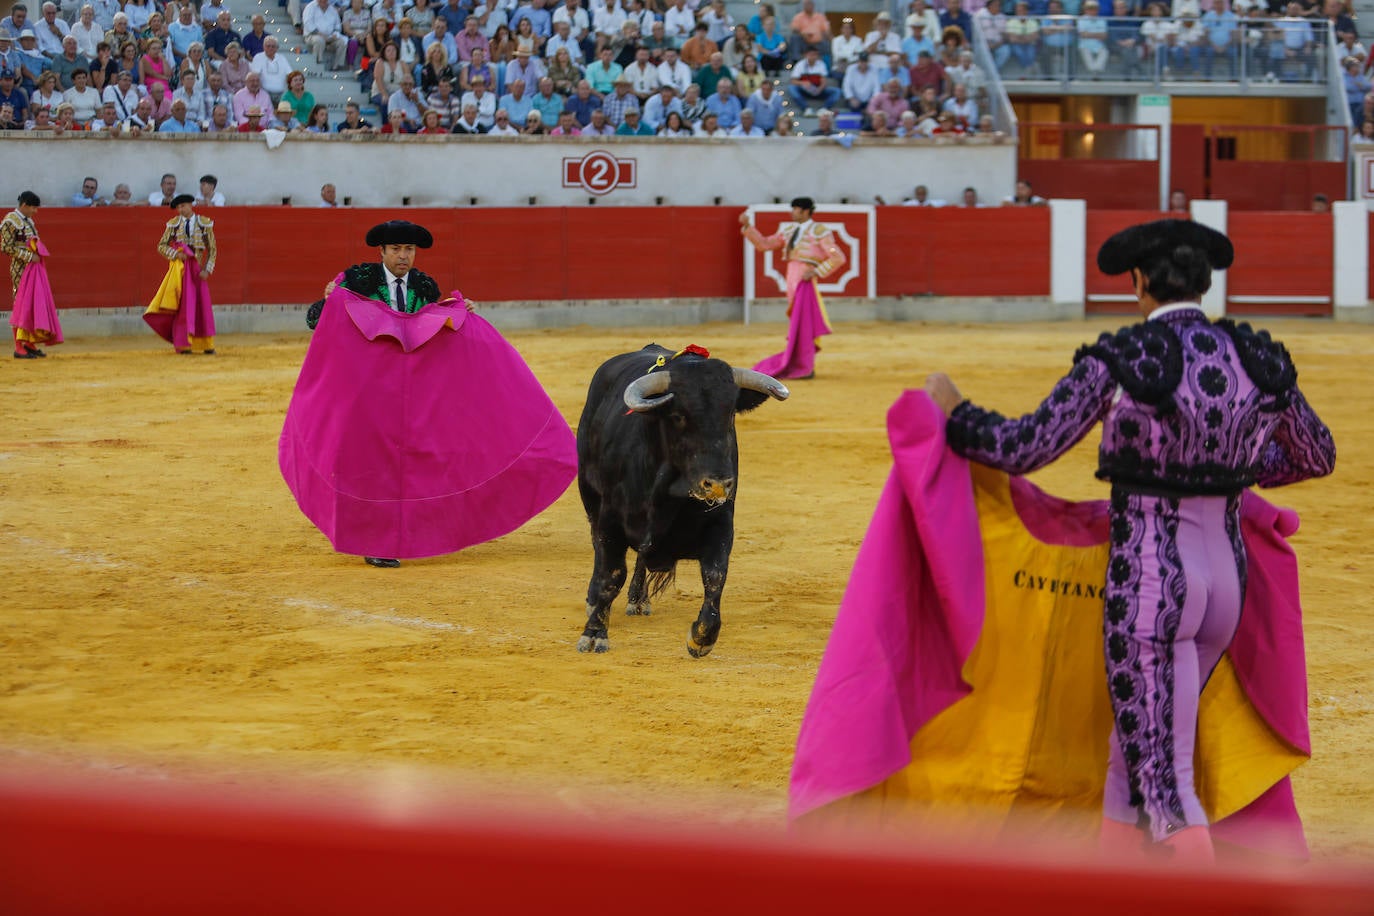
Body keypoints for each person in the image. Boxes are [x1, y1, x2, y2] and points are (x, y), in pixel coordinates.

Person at [923, 219, 1335, 862]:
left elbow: (1027, 446)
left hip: (1151, 584)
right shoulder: (1260, 359)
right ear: (1204, 281)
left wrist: (955, 412)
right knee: (1134, 753)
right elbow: (1316, 454)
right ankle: (1114, 885)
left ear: (1139, 281)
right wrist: (1228, 467)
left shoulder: (1124, 358)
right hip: (1226, 582)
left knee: (1162, 784)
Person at [283, 220, 578, 570]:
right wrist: (330, 300)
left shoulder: (424, 286)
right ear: (382, 252)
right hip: (365, 395)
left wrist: (459, 314)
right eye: (396, 250)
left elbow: (432, 329)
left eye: (408, 250)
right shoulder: (358, 280)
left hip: (412, 396)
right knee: (369, 465)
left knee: (412, 463)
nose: (403, 256)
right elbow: (316, 321)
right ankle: (375, 538)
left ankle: (410, 531)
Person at [739, 197, 845, 380]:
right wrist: (748, 227)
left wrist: (817, 271)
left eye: (795, 209)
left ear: (805, 211)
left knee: (805, 322)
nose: (792, 212)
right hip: (792, 276)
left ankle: (806, 365)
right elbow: (765, 244)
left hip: (804, 278)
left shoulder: (820, 231)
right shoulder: (788, 230)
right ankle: (801, 363)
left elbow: (838, 258)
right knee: (798, 322)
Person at [144, 192, 217, 355]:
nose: (180, 210)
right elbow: (161, 245)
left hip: (197, 270)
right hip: (181, 270)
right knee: (183, 307)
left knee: (201, 306)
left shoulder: (204, 223)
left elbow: (212, 248)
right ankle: (184, 344)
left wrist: (207, 269)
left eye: (183, 206)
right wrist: (176, 254)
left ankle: (206, 344)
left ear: (191, 205)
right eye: (178, 207)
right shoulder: (173, 224)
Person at [3, 190, 62, 359]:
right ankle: (17, 346)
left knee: (32, 305)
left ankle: (29, 343)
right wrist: (30, 256)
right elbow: (6, 247)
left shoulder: (27, 221)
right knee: (21, 305)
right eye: (34, 208)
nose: (35, 211)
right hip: (20, 269)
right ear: (25, 205)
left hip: (32, 269)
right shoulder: (10, 221)